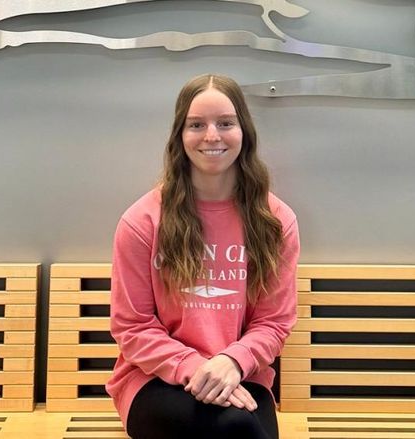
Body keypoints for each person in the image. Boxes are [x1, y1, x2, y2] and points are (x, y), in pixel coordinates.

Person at [106, 73, 300, 439]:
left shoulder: (275, 221)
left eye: (225, 123)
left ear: (244, 132)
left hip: (242, 375)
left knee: (239, 426)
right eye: (197, 125)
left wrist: (231, 361)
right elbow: (132, 327)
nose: (212, 136)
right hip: (153, 381)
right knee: (239, 428)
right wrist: (196, 366)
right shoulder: (142, 221)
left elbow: (274, 323)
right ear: (180, 135)